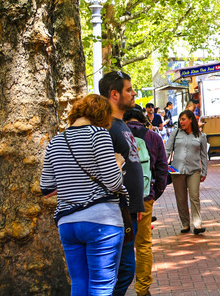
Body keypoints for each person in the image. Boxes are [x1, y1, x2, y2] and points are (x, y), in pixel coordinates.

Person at [40, 94, 127, 295]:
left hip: (68, 222)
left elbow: (46, 188)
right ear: (103, 116)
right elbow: (113, 182)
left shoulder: (56, 141)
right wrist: (118, 162)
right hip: (101, 221)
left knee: (79, 283)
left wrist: (71, 181)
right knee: (101, 286)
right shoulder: (99, 135)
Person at [98, 70, 145, 296]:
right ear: (114, 94)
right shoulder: (106, 127)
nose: (134, 93)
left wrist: (136, 206)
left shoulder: (121, 124)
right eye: (129, 89)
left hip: (128, 211)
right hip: (117, 213)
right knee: (124, 270)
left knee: (124, 269)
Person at [123, 108, 168, 296]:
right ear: (143, 120)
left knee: (122, 244)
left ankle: (119, 287)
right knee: (143, 244)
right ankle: (142, 289)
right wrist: (152, 194)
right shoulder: (153, 137)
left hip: (119, 200)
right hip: (144, 198)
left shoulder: (114, 134)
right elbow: (162, 170)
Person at [166, 109, 209, 234]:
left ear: (191, 120)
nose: (181, 121)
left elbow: (204, 156)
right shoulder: (175, 133)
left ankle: (197, 224)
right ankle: (185, 224)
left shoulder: (201, 136)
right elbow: (167, 150)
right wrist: (162, 166)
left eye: (183, 119)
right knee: (181, 198)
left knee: (194, 196)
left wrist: (204, 172)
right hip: (176, 170)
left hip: (194, 170)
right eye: (180, 119)